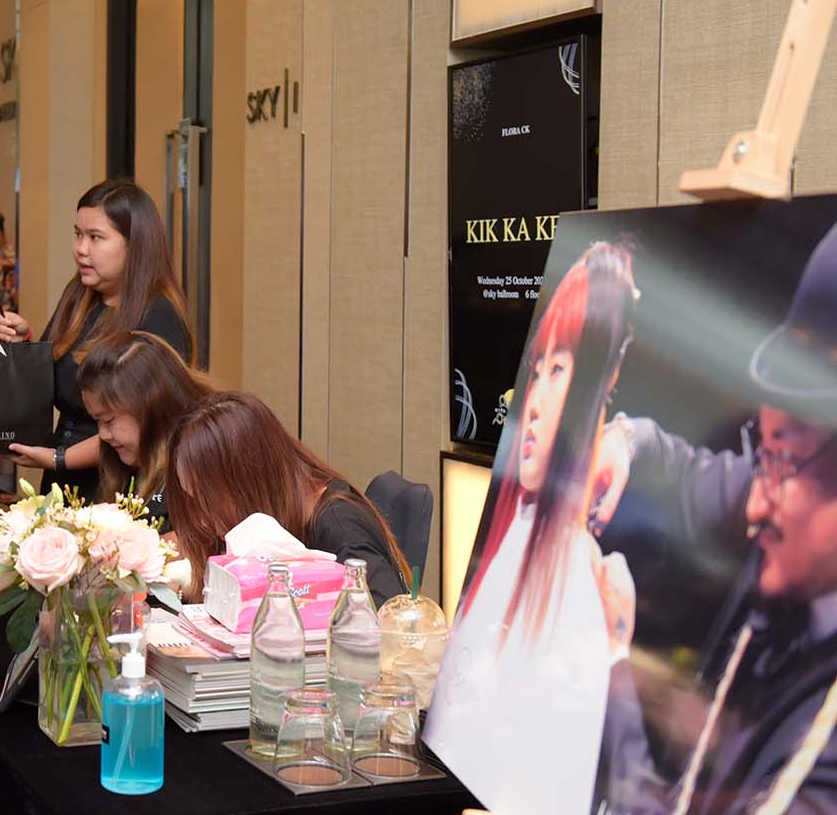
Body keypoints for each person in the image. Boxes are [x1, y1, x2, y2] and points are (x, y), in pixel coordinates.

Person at [595, 222, 837, 815]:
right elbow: (687, 474)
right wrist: (624, 440)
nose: (754, 506)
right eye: (763, 453)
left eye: (782, 460)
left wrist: (615, 664)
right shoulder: (790, 516)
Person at [425, 241, 639, 815]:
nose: (534, 401)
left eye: (559, 370)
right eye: (536, 370)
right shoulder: (515, 533)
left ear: (600, 380)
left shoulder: (575, 593)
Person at [0, 180, 192, 499]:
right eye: (78, 235)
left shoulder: (159, 316)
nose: (81, 249)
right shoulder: (79, 297)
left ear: (135, 244)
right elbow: (51, 381)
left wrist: (60, 458)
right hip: (63, 479)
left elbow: (146, 424)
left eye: (96, 237)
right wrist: (25, 342)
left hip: (119, 484)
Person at [164, 390, 413, 605]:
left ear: (248, 481)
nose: (203, 519)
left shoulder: (341, 528)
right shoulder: (288, 512)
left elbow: (390, 630)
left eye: (208, 501)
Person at [76, 330, 216, 527]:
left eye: (109, 420)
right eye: (96, 421)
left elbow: (198, 537)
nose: (103, 434)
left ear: (150, 407)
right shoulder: (125, 464)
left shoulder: (199, 460)